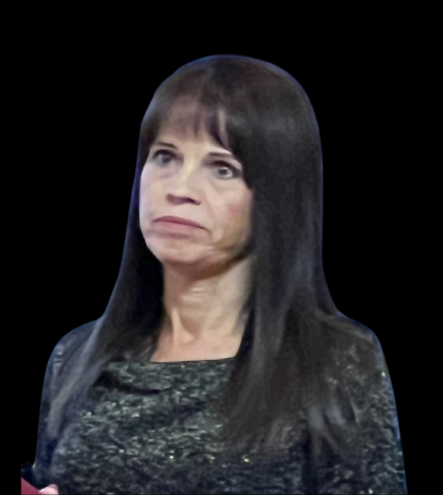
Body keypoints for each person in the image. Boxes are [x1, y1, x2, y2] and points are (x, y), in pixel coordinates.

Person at [21, 55, 408, 494]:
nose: (179, 189)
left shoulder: (336, 361)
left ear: (276, 197)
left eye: (222, 168)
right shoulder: (74, 357)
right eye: (165, 156)